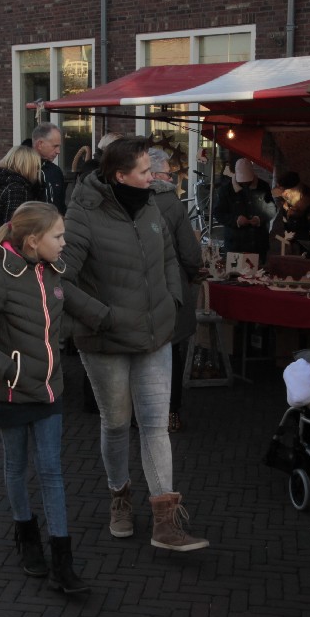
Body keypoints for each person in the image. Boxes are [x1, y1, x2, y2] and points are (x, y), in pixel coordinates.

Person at [63, 135, 208, 551]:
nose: (154, 177)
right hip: (105, 340)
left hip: (154, 334)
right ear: (120, 175)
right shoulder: (82, 212)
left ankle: (166, 521)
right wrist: (100, 317)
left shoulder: (152, 205)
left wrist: (171, 300)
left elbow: (168, 256)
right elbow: (61, 278)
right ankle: (120, 496)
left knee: (155, 425)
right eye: (145, 171)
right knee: (114, 423)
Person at [0, 202, 106, 595]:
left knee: (52, 470)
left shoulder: (52, 270)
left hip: (49, 389)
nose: (64, 242)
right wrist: (10, 371)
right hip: (12, 391)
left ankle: (62, 562)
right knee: (17, 466)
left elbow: (68, 310)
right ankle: (26, 536)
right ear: (34, 240)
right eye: (58, 235)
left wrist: (111, 321)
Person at [148, 147, 201, 433]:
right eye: (169, 174)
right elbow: (190, 254)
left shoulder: (122, 201)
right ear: (156, 175)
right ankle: (170, 414)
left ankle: (141, 413)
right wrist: (190, 274)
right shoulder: (172, 204)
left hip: (139, 291)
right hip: (170, 289)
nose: (172, 179)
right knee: (171, 352)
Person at [213, 158, 275, 258]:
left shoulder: (263, 187)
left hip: (258, 243)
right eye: (242, 182)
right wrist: (235, 220)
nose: (245, 183)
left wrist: (259, 219)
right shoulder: (226, 190)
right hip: (235, 244)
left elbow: (272, 209)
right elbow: (218, 213)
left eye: (248, 181)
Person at [0, 145, 44, 241]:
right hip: (7, 245)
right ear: (28, 166)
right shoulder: (16, 189)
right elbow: (14, 228)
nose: (37, 171)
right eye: (36, 167)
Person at [273, 171, 310, 243]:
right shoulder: (287, 202)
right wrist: (288, 234)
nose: (284, 195)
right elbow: (286, 222)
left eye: (287, 192)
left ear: (297, 189)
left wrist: (295, 235)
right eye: (282, 192)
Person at [31, 122, 67, 213]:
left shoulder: (56, 172)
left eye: (59, 146)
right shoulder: (22, 170)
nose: (58, 151)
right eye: (55, 146)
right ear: (40, 144)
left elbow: (61, 206)